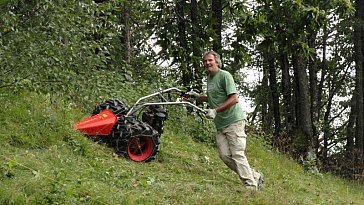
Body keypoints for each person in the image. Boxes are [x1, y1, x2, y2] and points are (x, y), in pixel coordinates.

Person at [188, 50, 264, 191]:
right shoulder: (210, 78)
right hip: (221, 124)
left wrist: (215, 111)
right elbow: (214, 97)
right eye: (205, 61)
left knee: (237, 154)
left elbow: (234, 98)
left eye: (210, 60)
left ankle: (251, 186)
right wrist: (198, 96)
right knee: (224, 155)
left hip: (234, 121)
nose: (207, 63)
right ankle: (254, 176)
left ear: (217, 61)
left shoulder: (225, 76)